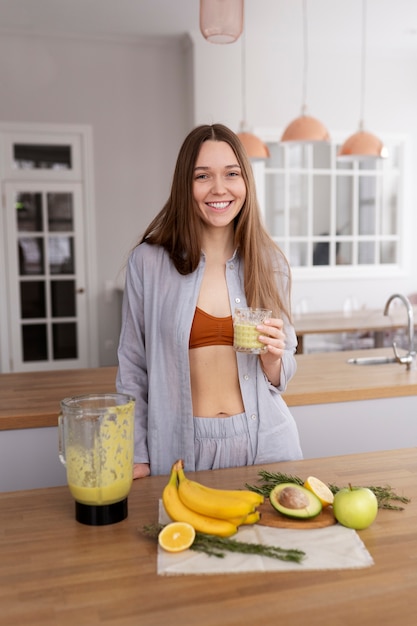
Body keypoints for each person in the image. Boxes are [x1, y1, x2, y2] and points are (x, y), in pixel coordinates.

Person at [116, 123, 302, 479]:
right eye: (203, 176)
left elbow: (282, 373)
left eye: (232, 174)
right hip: (180, 449)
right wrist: (137, 453)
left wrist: (274, 359)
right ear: (186, 185)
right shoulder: (149, 263)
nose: (219, 188)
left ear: (246, 182)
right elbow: (132, 368)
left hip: (266, 443)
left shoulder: (268, 262)